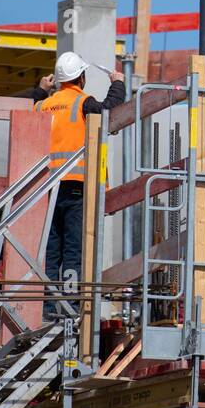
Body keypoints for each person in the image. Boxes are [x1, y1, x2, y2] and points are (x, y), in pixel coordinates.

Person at [30, 51, 126, 314]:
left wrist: (40, 90)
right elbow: (110, 110)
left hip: (48, 188)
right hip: (76, 186)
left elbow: (28, 107)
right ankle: (70, 307)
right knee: (73, 250)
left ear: (59, 80)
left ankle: (49, 308)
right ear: (81, 78)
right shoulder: (83, 103)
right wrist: (117, 82)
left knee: (51, 251)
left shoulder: (42, 106)